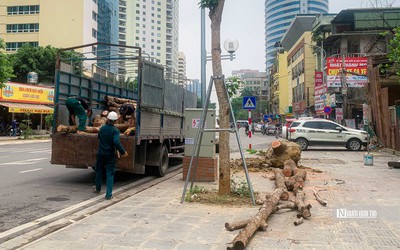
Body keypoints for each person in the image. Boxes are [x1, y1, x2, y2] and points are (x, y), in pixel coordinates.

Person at [92, 111, 128, 200]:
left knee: (99, 171)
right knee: (110, 174)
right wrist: (123, 152)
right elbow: (116, 142)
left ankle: (97, 188)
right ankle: (108, 195)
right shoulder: (115, 131)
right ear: (115, 121)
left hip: (101, 154)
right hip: (110, 155)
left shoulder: (102, 128)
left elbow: (99, 137)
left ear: (107, 119)